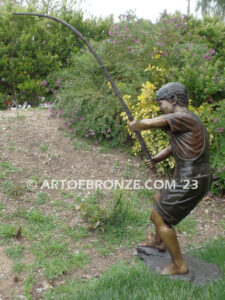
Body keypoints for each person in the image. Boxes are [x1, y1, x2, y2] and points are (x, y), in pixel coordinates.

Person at [128, 82, 211, 275]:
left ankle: (179, 265)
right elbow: (176, 146)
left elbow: (149, 123)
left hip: (191, 179)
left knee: (157, 216)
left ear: (174, 100)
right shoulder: (189, 122)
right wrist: (157, 158)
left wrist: (136, 125)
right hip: (190, 177)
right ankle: (158, 242)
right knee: (158, 198)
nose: (160, 107)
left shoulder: (183, 117)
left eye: (161, 103)